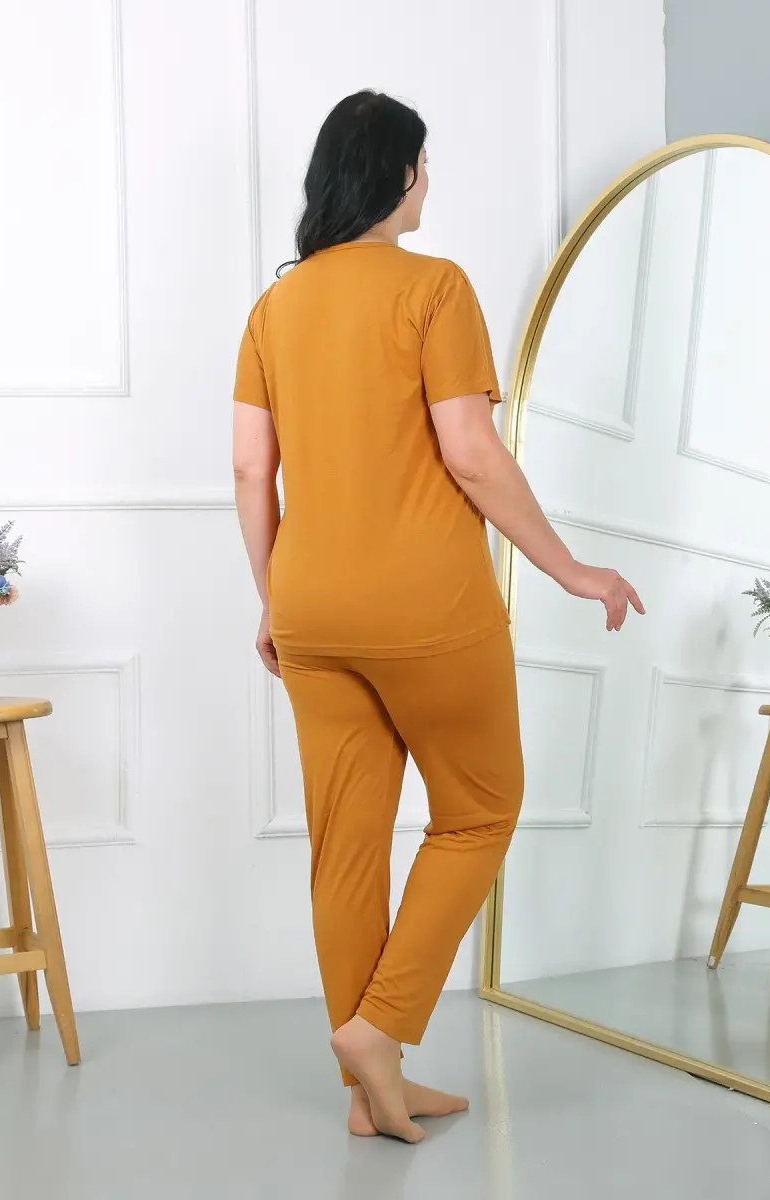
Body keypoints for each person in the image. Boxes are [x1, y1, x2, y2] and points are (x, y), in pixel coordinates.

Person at [233, 90, 644, 1144]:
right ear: (398, 174)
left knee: (345, 847)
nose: (429, 181)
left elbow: (248, 468)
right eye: (424, 163)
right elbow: (469, 453)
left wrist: (273, 597)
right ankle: (380, 1031)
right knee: (480, 808)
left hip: (310, 606)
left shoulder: (275, 308)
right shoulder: (434, 286)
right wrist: (569, 570)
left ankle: (369, 1094)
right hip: (425, 605)